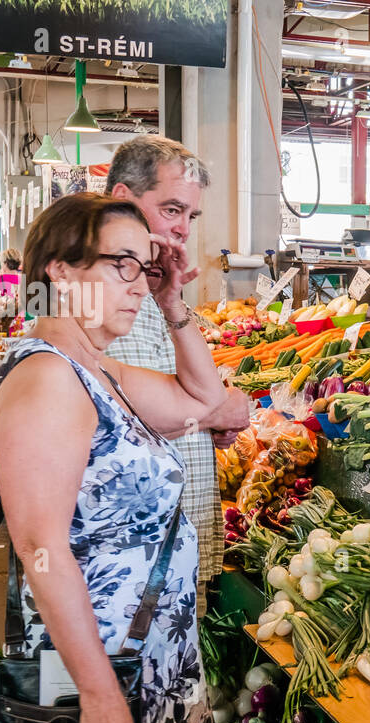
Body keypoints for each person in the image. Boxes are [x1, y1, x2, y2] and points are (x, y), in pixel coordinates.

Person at [0, 192, 249, 723]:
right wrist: (100, 698)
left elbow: (205, 402)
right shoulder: (47, 378)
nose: (141, 281)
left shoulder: (97, 372)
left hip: (151, 665)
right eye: (124, 266)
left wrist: (173, 304)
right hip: (96, 675)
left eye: (147, 266)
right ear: (63, 273)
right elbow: (39, 546)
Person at [104, 135, 244, 612]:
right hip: (132, 554)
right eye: (171, 210)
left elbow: (184, 394)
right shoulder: (98, 294)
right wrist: (212, 411)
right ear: (123, 200)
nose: (183, 228)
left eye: (191, 215)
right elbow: (111, 412)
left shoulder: (156, 284)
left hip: (183, 539)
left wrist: (207, 415)